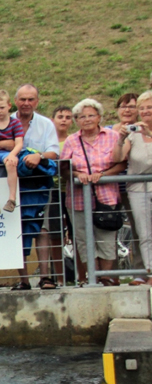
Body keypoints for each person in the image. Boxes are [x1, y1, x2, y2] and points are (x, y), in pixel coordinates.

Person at [61, 99, 126, 285]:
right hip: (79, 198)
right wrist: (77, 174)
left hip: (106, 196)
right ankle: (92, 275)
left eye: (91, 115)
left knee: (106, 237)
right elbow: (63, 168)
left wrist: (103, 174)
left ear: (99, 117)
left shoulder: (112, 136)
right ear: (76, 120)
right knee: (83, 238)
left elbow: (122, 162)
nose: (87, 119)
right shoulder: (72, 140)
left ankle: (105, 276)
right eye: (82, 117)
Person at [12, 84, 62, 290]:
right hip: (12, 183)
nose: (26, 103)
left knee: (42, 229)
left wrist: (38, 156)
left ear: (37, 102)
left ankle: (45, 278)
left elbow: (54, 152)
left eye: (30, 99)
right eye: (22, 99)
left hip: (39, 183)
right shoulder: (4, 121)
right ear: (15, 101)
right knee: (17, 230)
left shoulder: (46, 124)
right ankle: (23, 280)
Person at [112, 90, 152, 285]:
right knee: (143, 232)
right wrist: (120, 139)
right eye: (142, 108)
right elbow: (118, 158)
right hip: (136, 187)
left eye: (149, 107)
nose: (145, 111)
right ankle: (148, 272)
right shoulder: (132, 133)